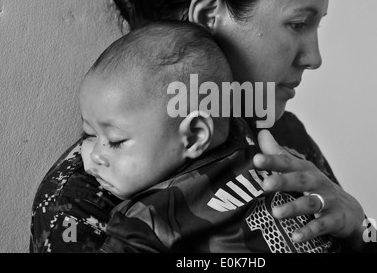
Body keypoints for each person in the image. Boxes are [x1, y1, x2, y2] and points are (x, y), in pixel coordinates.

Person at [30, 0, 377, 253]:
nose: (314, 57)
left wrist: (358, 227)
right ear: (206, 17)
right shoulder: (84, 197)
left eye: (316, 26)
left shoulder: (283, 136)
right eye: (297, 24)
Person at [81, 20, 338, 252]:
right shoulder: (274, 163)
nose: (94, 156)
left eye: (116, 141)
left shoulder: (144, 223)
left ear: (194, 136)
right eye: (89, 135)